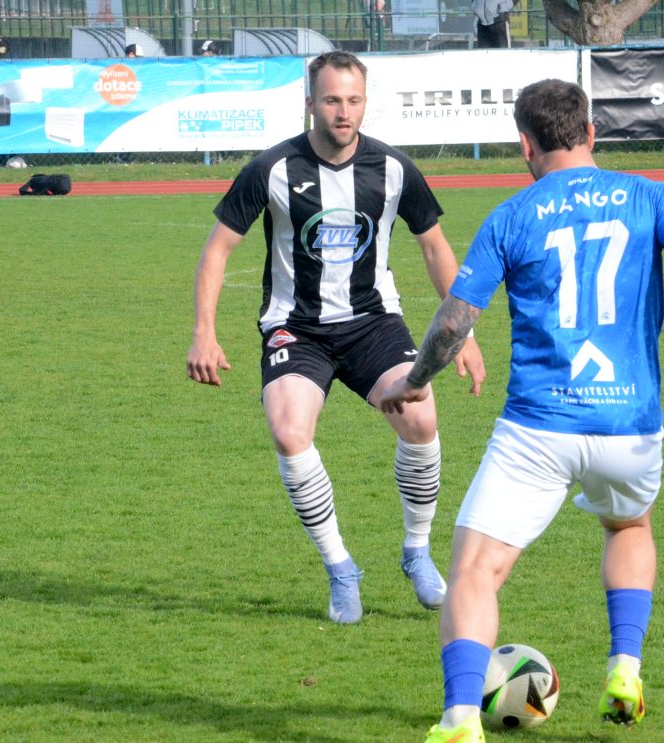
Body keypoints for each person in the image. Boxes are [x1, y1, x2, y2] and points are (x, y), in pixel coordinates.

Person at [379, 78, 664, 742]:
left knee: (475, 570)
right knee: (628, 526)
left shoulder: (512, 215)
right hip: (630, 427)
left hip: (538, 427)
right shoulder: (652, 195)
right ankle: (625, 669)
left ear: (524, 145)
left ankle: (461, 717)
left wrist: (417, 379)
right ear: (591, 133)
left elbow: (454, 320)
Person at [186, 50, 486, 625]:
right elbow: (218, 249)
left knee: (421, 419)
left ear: (365, 103)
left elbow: (434, 248)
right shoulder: (271, 168)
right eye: (331, 100)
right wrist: (204, 332)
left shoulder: (394, 169)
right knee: (289, 431)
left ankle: (416, 551)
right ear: (310, 104)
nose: (343, 112)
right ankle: (340, 567)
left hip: (373, 323)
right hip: (295, 328)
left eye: (353, 100)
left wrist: (462, 333)